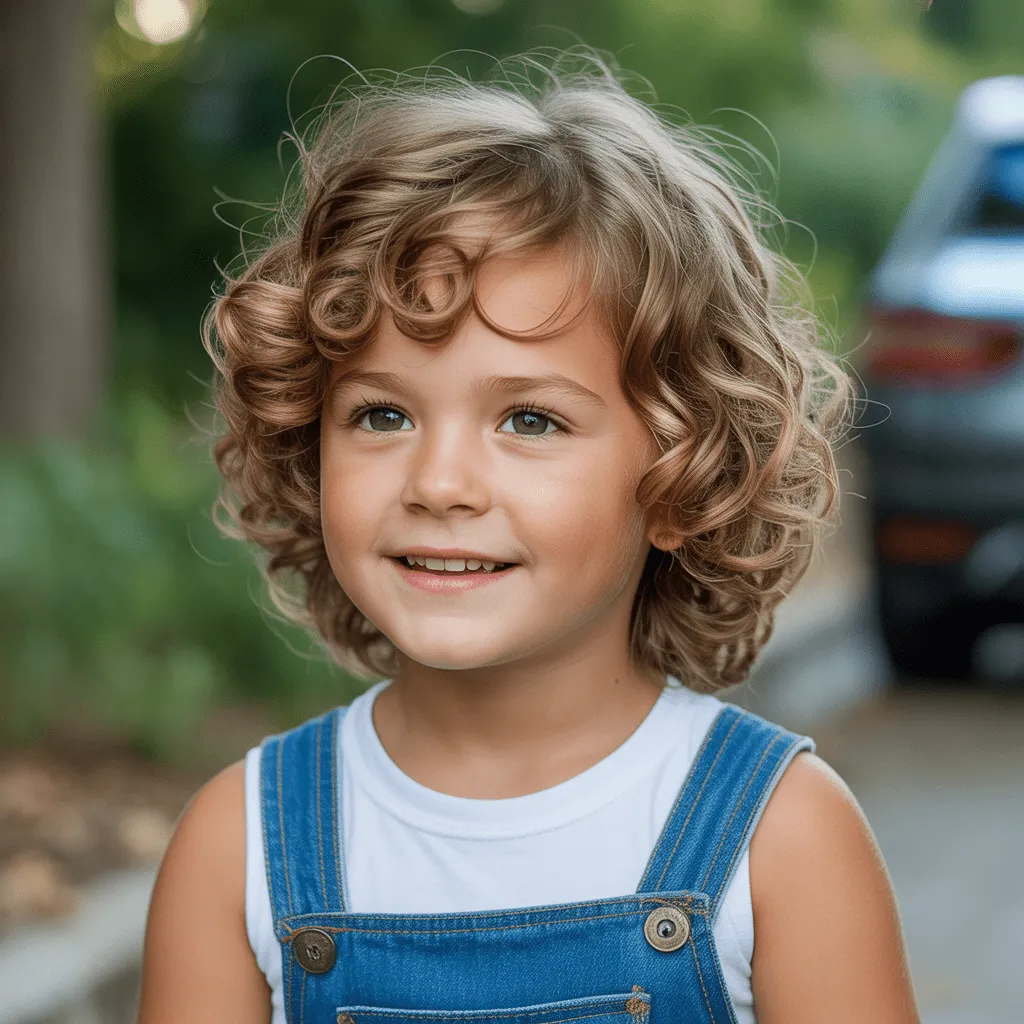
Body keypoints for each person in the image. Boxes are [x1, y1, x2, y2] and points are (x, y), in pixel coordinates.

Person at [137, 52, 920, 1024]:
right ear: (309, 446)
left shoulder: (783, 834)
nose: (438, 483)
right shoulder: (240, 845)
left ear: (681, 476)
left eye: (530, 420)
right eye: (382, 415)